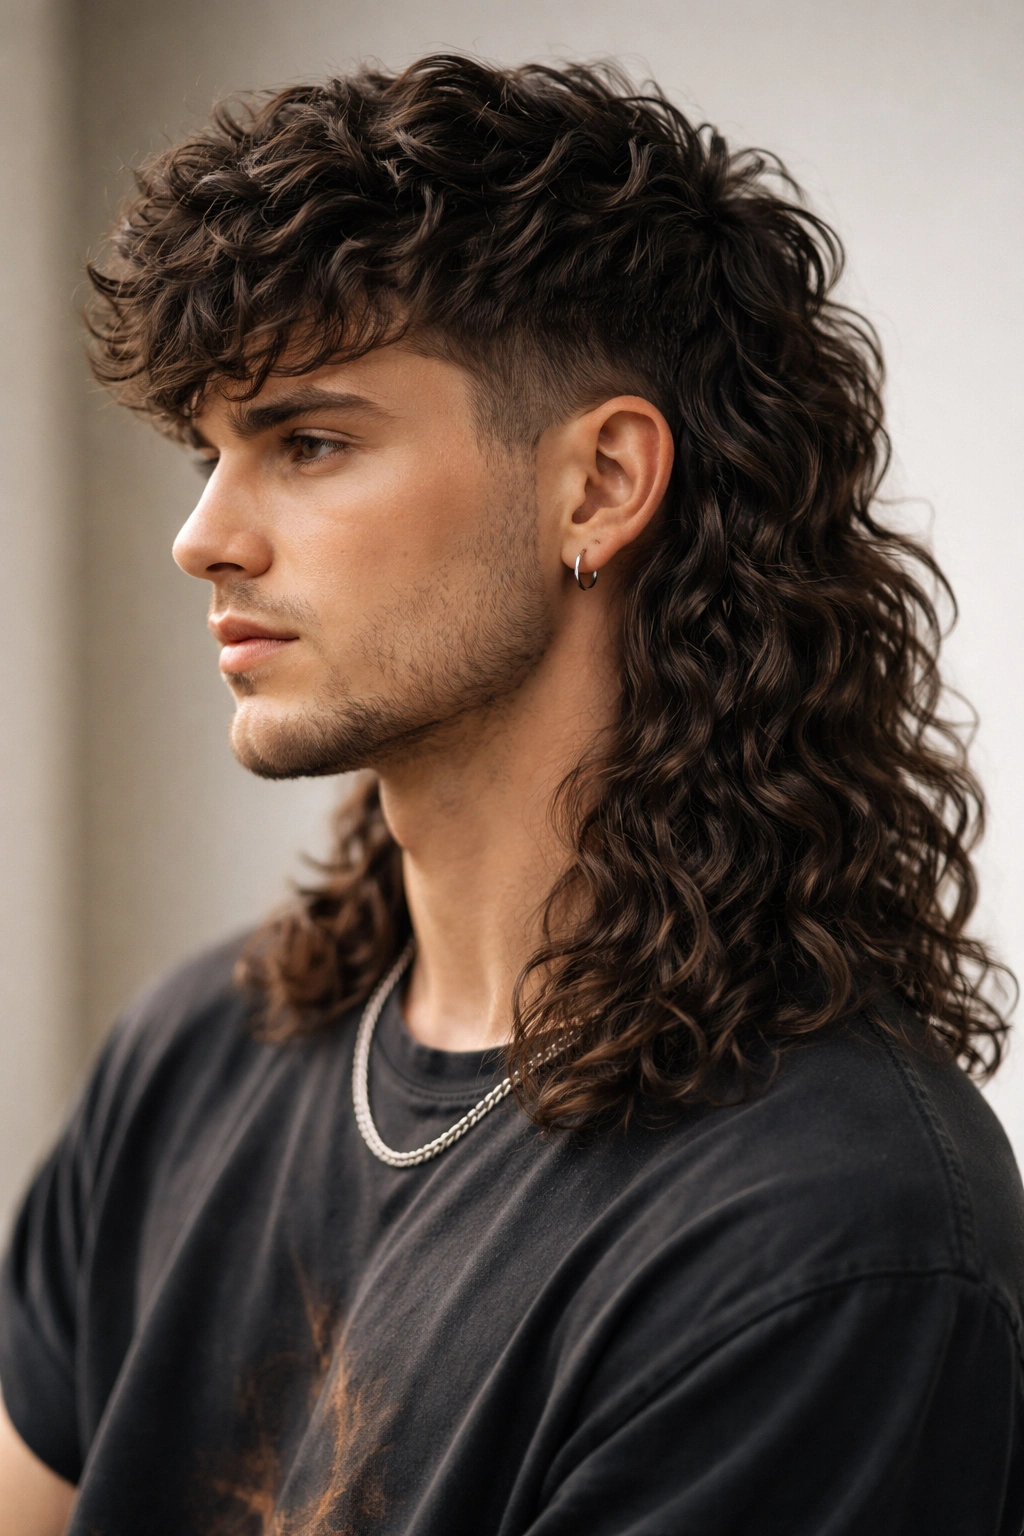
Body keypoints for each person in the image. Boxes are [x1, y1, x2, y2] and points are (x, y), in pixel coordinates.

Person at [1, 54, 1021, 1536]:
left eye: (308, 441)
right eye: (209, 454)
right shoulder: (193, 1057)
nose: (202, 537)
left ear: (599, 485)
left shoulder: (824, 1237)